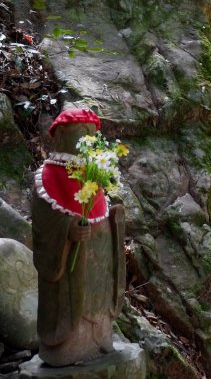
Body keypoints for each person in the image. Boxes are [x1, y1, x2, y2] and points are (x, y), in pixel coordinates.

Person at [32, 108, 125, 367]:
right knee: (72, 297)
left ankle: (100, 338)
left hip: (98, 260)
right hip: (71, 264)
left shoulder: (93, 174)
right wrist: (67, 230)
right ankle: (68, 347)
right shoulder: (47, 176)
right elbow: (43, 224)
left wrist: (114, 222)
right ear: (60, 135)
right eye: (83, 133)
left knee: (97, 293)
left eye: (93, 134)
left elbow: (101, 212)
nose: (90, 140)